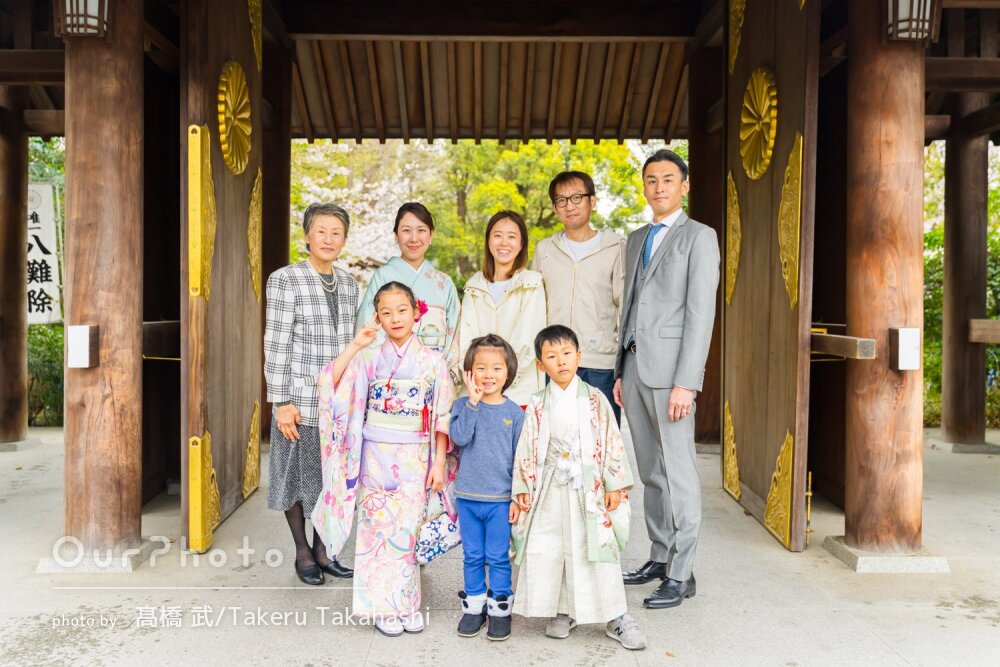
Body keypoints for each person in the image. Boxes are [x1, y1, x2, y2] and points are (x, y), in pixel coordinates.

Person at [312, 281, 455, 637]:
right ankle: (381, 608)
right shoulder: (369, 356)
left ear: (416, 312)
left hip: (416, 454)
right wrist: (357, 344)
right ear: (377, 317)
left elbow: (443, 415)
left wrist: (439, 462)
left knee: (407, 531)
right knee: (377, 530)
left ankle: (405, 605)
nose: (395, 318)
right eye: (386, 312)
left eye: (402, 310)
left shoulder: (434, 360)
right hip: (375, 453)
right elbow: (329, 383)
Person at [613, 149, 720, 609]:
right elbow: (630, 305)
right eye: (651, 180)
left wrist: (686, 382)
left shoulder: (700, 237)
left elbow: (700, 314)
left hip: (673, 374)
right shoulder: (637, 238)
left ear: (684, 185)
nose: (659, 187)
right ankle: (660, 555)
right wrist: (621, 368)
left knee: (679, 473)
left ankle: (682, 572)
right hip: (635, 368)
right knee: (650, 471)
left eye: (668, 179)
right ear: (644, 186)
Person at [510, 325, 646, 651]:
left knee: (595, 549)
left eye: (567, 353)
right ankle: (564, 611)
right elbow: (527, 447)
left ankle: (616, 616)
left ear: (579, 356)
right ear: (540, 365)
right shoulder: (538, 404)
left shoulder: (596, 399)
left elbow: (611, 441)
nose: (561, 361)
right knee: (554, 548)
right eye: (551, 356)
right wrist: (523, 486)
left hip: (589, 488)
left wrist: (614, 484)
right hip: (550, 488)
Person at [263, 203, 357, 586]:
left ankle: (324, 550)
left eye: (337, 233)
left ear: (344, 239)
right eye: (321, 231)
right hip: (298, 400)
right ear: (306, 236)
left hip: (337, 404)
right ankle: (303, 552)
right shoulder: (285, 279)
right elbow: (276, 343)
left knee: (329, 481)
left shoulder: (350, 284)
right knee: (296, 481)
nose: (329, 239)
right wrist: (281, 401)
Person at [531, 171, 626, 423]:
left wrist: (623, 366)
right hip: (554, 363)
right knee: (557, 438)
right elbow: (535, 307)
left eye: (577, 197)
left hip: (600, 365)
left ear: (592, 201)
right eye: (561, 200)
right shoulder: (545, 250)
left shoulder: (616, 247)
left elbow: (625, 307)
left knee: (601, 438)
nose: (569, 206)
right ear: (555, 208)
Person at [450, 334, 525, 641]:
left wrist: (517, 498)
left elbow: (522, 459)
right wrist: (472, 403)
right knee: (472, 555)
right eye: (481, 368)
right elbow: (459, 438)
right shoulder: (462, 405)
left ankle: (499, 609)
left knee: (497, 556)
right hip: (468, 497)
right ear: (470, 372)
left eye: (496, 368)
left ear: (508, 372)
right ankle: (474, 606)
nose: (488, 375)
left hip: (500, 500)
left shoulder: (515, 413)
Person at [357, 202, 460, 383]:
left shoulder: (444, 283)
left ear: (431, 235)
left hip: (434, 377)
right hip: (389, 378)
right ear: (396, 235)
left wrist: (445, 374)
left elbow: (455, 334)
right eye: (406, 230)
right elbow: (368, 327)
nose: (414, 238)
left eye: (421, 230)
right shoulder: (383, 276)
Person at [458, 211, 546, 407]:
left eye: (512, 237)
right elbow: (466, 339)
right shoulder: (474, 286)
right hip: (476, 393)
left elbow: (526, 341)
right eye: (497, 235)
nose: (504, 242)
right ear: (488, 241)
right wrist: (480, 380)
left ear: (521, 244)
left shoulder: (532, 284)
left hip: (518, 394)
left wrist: (499, 383)